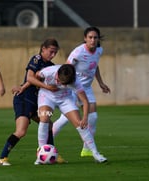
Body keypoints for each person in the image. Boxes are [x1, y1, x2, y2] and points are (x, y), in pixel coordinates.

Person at [0, 38, 60, 166]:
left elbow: (33, 80)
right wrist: (25, 88)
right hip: (25, 99)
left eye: (55, 53)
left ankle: (51, 155)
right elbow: (30, 77)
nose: (53, 55)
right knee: (21, 131)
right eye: (51, 51)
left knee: (49, 125)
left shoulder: (51, 67)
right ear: (43, 49)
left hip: (37, 102)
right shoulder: (36, 59)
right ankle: (2, 158)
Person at [27, 64, 107, 164]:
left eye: (65, 84)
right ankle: (40, 155)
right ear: (57, 74)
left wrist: (85, 118)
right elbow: (34, 78)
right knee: (44, 119)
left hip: (65, 99)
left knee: (80, 124)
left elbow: (85, 101)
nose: (61, 85)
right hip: (46, 96)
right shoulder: (48, 72)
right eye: (59, 81)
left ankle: (95, 154)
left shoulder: (76, 82)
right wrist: (45, 86)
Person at [52, 26, 110, 159]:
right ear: (85, 39)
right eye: (90, 37)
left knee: (93, 118)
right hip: (73, 88)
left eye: (95, 37)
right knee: (66, 119)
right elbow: (66, 68)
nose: (93, 40)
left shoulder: (99, 50)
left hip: (87, 89)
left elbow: (94, 66)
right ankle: (46, 142)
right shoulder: (78, 52)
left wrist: (101, 83)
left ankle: (86, 150)